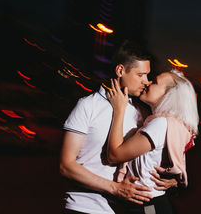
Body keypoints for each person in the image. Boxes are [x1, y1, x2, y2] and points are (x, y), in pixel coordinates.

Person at [59, 40, 177, 214]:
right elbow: (66, 166)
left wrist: (171, 178)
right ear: (120, 70)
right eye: (140, 75)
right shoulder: (87, 106)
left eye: (147, 75)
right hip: (85, 207)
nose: (146, 81)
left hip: (127, 208)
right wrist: (115, 188)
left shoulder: (141, 113)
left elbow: (150, 159)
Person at [106, 69, 199, 214]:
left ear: (168, 95)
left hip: (147, 206)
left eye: (154, 82)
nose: (148, 82)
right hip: (152, 203)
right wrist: (174, 180)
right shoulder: (174, 123)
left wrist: (119, 110)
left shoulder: (161, 124)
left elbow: (114, 155)